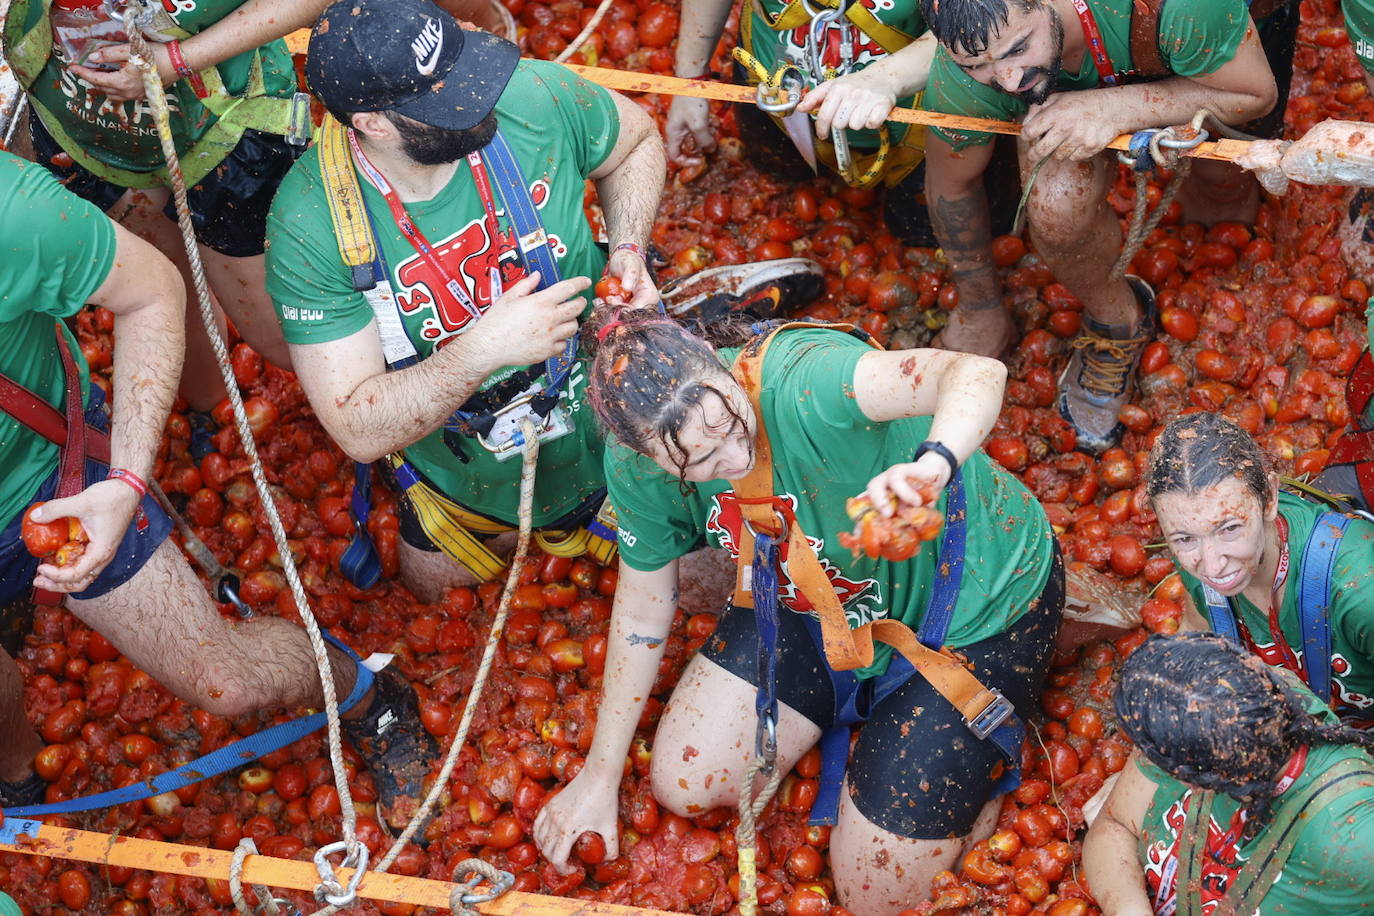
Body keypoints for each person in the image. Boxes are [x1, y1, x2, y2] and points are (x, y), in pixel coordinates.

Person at [532, 313, 1063, 915]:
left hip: (978, 601)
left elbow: (973, 372)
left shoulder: (803, 379)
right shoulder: (635, 469)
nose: (733, 456)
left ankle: (974, 753)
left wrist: (931, 466)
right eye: (697, 460)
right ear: (642, 452)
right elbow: (643, 607)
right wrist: (599, 775)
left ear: (716, 357)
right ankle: (882, 733)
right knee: (685, 785)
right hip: (815, 604)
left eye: (730, 420)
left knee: (877, 895)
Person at [0, 150, 433, 828]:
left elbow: (150, 291)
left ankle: (369, 696)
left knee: (222, 681)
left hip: (54, 485)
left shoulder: (11, 214)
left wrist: (125, 480)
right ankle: (16, 777)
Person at [265, 0, 675, 603]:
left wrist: (630, 251)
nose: (479, 102)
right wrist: (484, 349)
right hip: (457, 481)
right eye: (445, 101)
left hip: (617, 432)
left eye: (467, 75)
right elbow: (356, 426)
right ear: (373, 123)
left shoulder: (531, 96)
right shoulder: (311, 224)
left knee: (709, 584)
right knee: (430, 601)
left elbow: (636, 140)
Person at [916, 0, 1292, 454]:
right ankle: (1117, 320)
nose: (1010, 80)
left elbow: (1254, 93)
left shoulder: (1188, 7)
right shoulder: (974, 40)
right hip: (1096, 66)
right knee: (1057, 205)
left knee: (1222, 196)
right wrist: (980, 307)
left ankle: (1219, 226)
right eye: (979, 66)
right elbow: (950, 183)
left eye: (1020, 47)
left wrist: (1116, 106)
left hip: (1204, 33)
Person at [3, 0, 332, 456]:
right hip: (87, 124)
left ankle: (357, 410)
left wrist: (175, 61)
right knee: (161, 286)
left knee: (276, 333)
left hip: (224, 122)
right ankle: (210, 414)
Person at [1083, 632, 1374, 915]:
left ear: (1185, 775)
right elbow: (1114, 823)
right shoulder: (1182, 712)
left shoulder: (1352, 838)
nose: (1146, 759)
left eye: (1150, 752)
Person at [1145, 412, 1374, 728]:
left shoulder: (1360, 591)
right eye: (1184, 538)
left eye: (1230, 528)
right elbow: (1196, 641)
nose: (1212, 566)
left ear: (1268, 499)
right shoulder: (1199, 565)